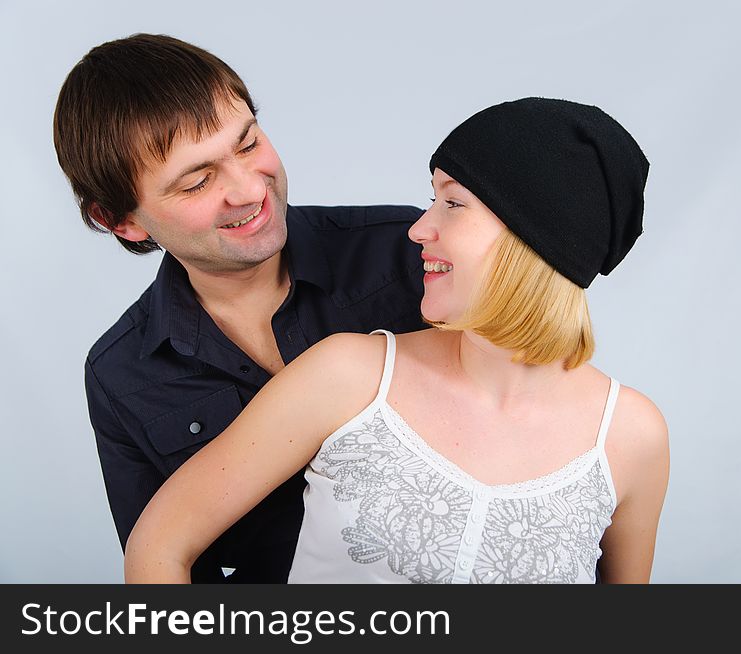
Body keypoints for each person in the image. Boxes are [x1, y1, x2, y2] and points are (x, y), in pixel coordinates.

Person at [124, 97, 670, 584]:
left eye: (453, 204)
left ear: (535, 242)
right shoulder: (347, 374)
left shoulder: (632, 436)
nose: (418, 229)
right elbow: (159, 543)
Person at [53, 33, 429, 583]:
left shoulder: (411, 250)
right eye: (198, 182)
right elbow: (166, 567)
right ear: (121, 221)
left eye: (249, 143)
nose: (248, 190)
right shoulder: (119, 374)